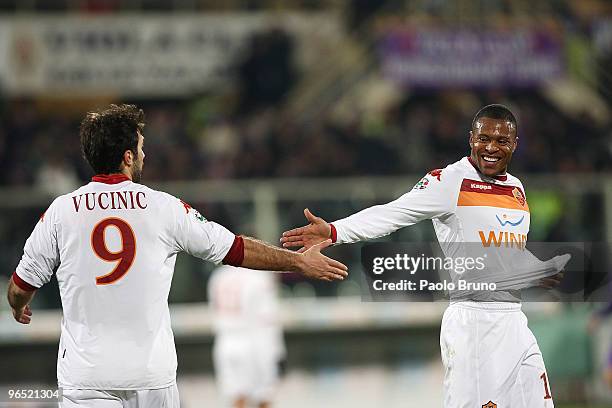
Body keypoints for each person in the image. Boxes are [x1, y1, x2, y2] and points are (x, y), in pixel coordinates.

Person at [6, 104, 347, 408]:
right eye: (140, 148)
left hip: (86, 377)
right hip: (151, 373)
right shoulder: (162, 207)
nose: (144, 155)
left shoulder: (60, 211)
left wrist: (19, 306)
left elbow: (21, 285)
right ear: (127, 156)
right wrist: (297, 260)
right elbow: (236, 249)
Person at [281, 104, 564, 407]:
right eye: (483, 139)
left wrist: (537, 269)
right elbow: (392, 213)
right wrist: (335, 231)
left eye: (501, 141)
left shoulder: (517, 189)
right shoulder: (450, 182)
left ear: (515, 144)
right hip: (476, 323)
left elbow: (506, 251)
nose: (491, 148)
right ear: (471, 139)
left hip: (514, 322)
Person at [208, 266, 285, 408]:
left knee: (237, 398)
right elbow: (267, 318)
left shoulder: (218, 276)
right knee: (264, 395)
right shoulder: (259, 275)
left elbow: (213, 311)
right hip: (254, 340)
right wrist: (278, 350)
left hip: (225, 341)